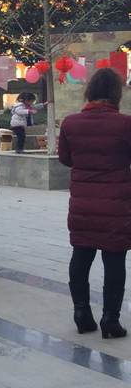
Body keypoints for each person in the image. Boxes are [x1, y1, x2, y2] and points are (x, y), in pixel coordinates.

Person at [59, 67, 131, 338]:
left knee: (81, 253)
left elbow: (66, 159)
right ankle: (111, 320)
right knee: (115, 259)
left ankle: (81, 314)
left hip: (82, 202)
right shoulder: (125, 124)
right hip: (116, 204)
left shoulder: (70, 123)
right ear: (116, 93)